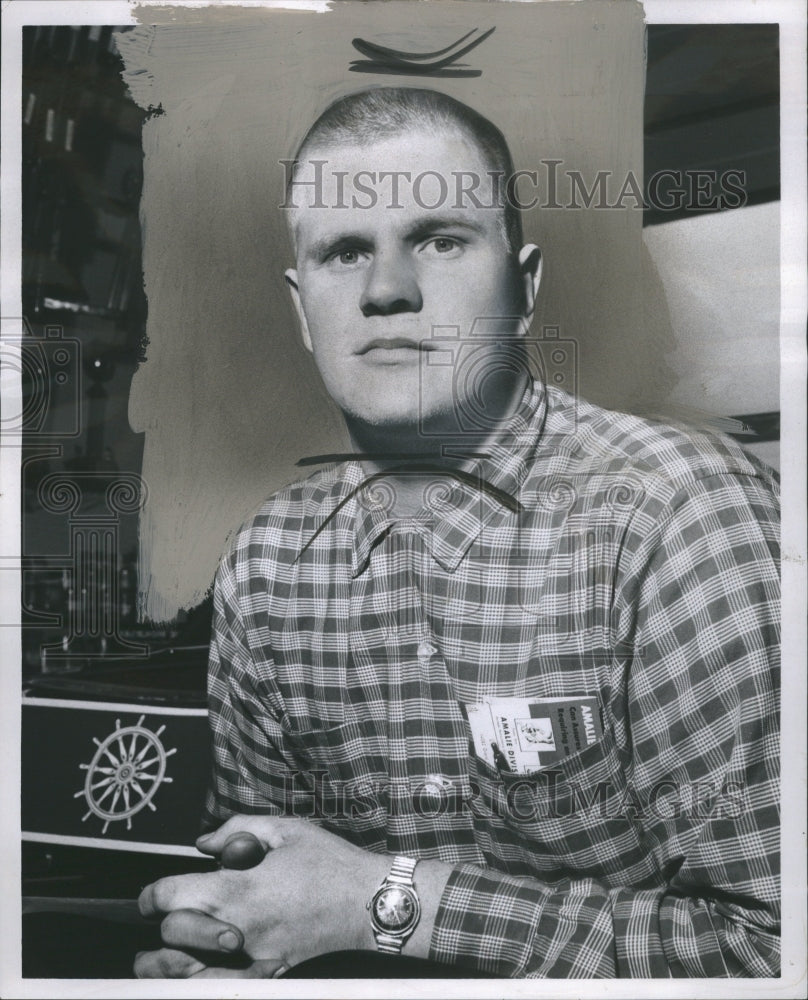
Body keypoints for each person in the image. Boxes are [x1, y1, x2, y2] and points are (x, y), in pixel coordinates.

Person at [134, 87, 780, 979]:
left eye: (440, 240)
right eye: (344, 251)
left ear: (524, 287)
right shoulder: (267, 566)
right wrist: (230, 948)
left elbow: (776, 951)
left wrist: (387, 904)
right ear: (301, 309)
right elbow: (275, 893)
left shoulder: (678, 515)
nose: (387, 291)